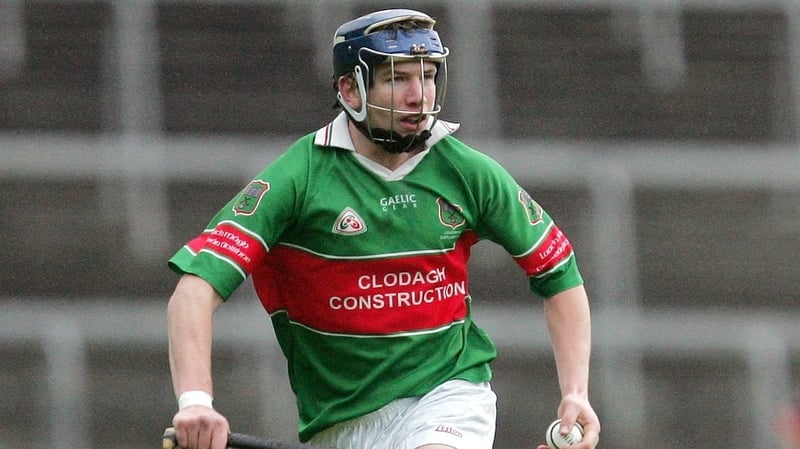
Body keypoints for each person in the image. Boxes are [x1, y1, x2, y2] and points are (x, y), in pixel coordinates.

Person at [166, 8, 601, 449]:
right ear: (350, 90)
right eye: (397, 79)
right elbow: (195, 289)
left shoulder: (467, 172)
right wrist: (195, 401)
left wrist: (576, 393)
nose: (420, 96)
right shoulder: (297, 179)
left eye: (428, 76)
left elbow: (559, 273)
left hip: (449, 396)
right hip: (339, 424)